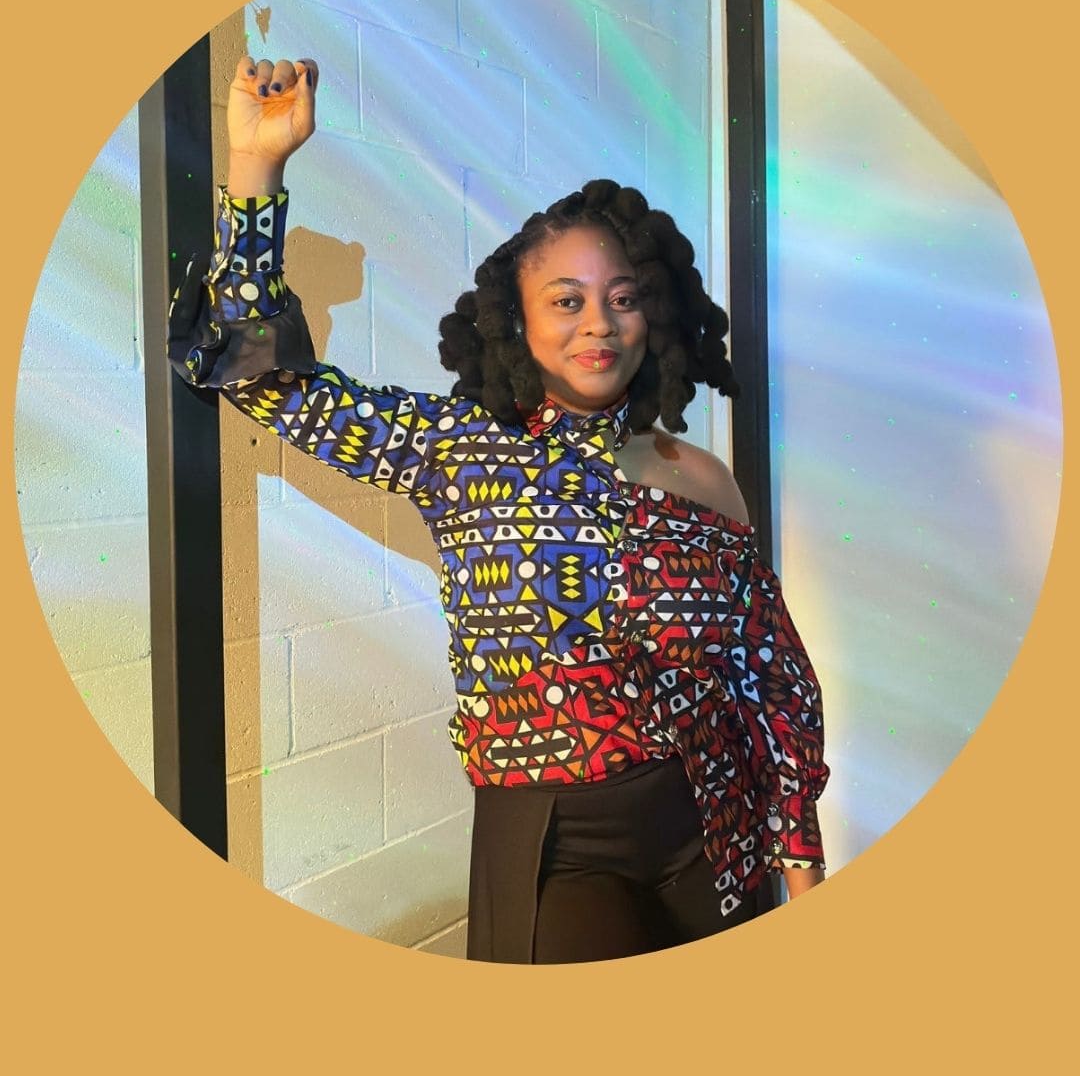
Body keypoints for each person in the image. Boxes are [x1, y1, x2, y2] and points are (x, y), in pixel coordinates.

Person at [168, 53, 829, 964]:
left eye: (622, 299)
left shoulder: (703, 475)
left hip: (714, 826)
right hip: (557, 841)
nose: (599, 323)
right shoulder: (460, 450)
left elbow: (771, 680)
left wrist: (799, 868)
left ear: (654, 316)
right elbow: (267, 383)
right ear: (517, 325)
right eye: (567, 301)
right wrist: (258, 172)